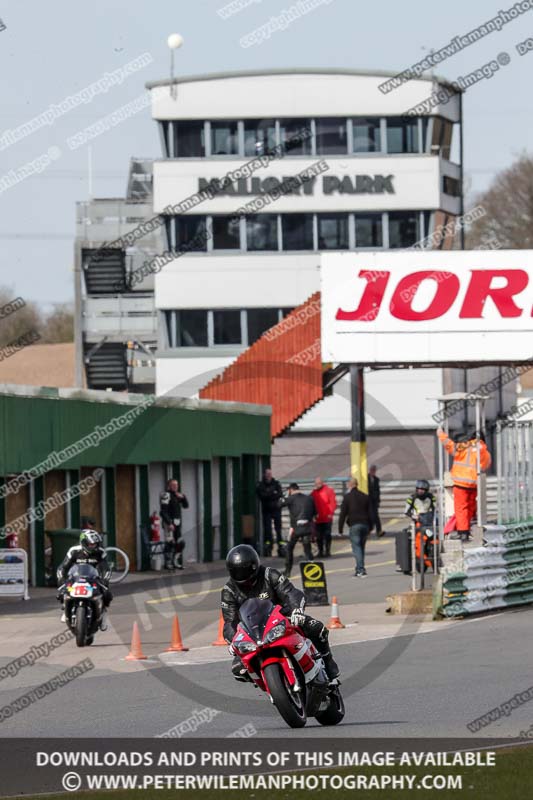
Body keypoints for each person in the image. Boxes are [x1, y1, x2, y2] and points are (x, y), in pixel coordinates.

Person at [221, 544, 339, 681]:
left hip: (282, 618)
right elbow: (230, 621)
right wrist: (232, 640)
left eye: (244, 570)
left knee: (317, 628)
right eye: (236, 572)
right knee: (238, 669)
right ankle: (268, 682)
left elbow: (291, 593)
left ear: (254, 566)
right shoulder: (229, 591)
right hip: (253, 631)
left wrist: (296, 611)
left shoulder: (270, 575)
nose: (242, 576)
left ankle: (328, 661)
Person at [437, 429, 491, 542]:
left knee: (461, 509)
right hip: (474, 484)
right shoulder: (484, 451)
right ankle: (466, 530)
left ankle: (463, 533)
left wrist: (441, 435)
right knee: (470, 507)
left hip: (461, 483)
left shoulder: (465, 446)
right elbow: (485, 466)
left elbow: (450, 446)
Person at [57, 529, 112, 629]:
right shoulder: (74, 551)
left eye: (95, 544)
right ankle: (65, 608)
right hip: (76, 578)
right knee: (62, 592)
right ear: (84, 542)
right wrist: (62, 581)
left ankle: (103, 614)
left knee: (107, 594)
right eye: (91, 544)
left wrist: (105, 580)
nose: (93, 546)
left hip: (93, 579)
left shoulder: (100, 552)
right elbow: (63, 567)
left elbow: (106, 569)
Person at [338, 477, 371, 577]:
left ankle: (360, 569)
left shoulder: (347, 497)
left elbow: (343, 514)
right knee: (361, 547)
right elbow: (371, 513)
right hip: (365, 525)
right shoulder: (365, 496)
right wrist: (371, 527)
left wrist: (340, 529)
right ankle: (359, 567)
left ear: (350, 485)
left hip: (354, 525)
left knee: (357, 548)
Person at [281, 483, 315, 576]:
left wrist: (284, 496)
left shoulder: (291, 498)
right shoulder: (309, 498)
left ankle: (288, 571)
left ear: (291, 490)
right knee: (307, 550)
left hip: (295, 528)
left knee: (289, 548)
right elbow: (315, 512)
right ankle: (312, 571)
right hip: (307, 527)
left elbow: (279, 504)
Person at [160, 478, 189, 569]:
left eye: (176, 485)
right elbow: (163, 511)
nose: (175, 487)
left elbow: (186, 506)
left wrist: (183, 497)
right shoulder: (166, 495)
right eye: (173, 485)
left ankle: (175, 561)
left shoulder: (178, 495)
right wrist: (169, 523)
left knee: (180, 543)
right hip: (169, 523)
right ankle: (168, 563)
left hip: (177, 523)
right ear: (169, 486)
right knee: (170, 543)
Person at [256, 469, 283, 556]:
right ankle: (268, 546)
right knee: (267, 530)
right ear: (264, 474)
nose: (269, 475)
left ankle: (280, 545)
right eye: (267, 474)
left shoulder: (276, 483)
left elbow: (279, 494)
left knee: (278, 529)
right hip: (266, 510)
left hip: (276, 510)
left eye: (270, 474)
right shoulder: (261, 484)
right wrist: (272, 493)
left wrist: (268, 493)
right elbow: (262, 496)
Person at [311, 476, 337, 557]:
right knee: (318, 536)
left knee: (327, 535)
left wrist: (330, 513)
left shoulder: (329, 491)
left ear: (322, 483)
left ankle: (327, 550)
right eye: (316, 483)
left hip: (327, 518)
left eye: (319, 483)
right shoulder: (314, 493)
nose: (317, 485)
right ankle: (321, 551)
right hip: (318, 518)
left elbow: (333, 503)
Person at [368, 465, 383, 537]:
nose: (373, 472)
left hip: (374, 501)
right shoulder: (366, 478)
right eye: (372, 470)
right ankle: (369, 529)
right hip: (368, 500)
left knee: (375, 516)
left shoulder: (376, 479)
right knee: (370, 516)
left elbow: (378, 490)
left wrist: (378, 500)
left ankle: (379, 530)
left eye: (374, 470)